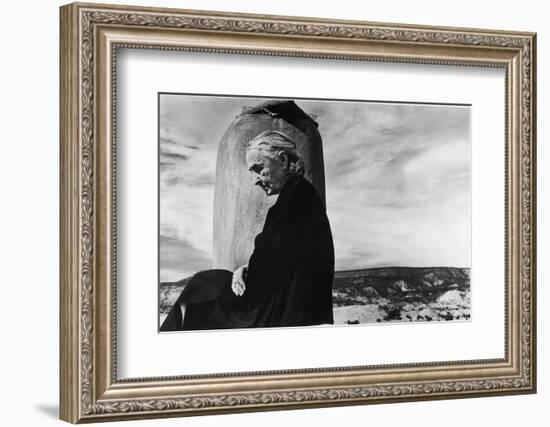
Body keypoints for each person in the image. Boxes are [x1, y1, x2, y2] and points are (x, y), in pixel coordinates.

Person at [160, 130, 334, 331]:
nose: (256, 179)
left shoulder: (293, 204)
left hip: (283, 314)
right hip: (290, 306)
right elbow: (275, 260)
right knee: (207, 282)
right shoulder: (301, 195)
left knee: (198, 290)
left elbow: (263, 277)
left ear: (284, 160)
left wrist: (243, 273)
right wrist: (246, 268)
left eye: (259, 169)